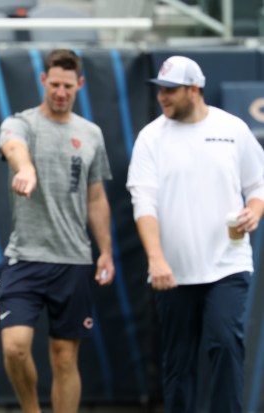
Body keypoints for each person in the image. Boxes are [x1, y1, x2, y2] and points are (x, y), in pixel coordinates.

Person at [126, 55, 264, 413]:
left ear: (194, 89)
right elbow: (144, 204)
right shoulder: (151, 138)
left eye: (171, 90)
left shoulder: (232, 128)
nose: (163, 97)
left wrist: (255, 210)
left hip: (228, 264)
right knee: (179, 361)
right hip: (172, 273)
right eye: (160, 90)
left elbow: (258, 181)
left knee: (225, 345)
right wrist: (156, 259)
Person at [0, 49, 115, 413]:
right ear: (43, 81)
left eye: (68, 85)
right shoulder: (21, 123)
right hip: (25, 258)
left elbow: (96, 198)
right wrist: (25, 169)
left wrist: (106, 251)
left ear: (78, 85)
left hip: (73, 260)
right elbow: (12, 146)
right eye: (54, 84)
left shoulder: (91, 134)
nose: (61, 92)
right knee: (15, 347)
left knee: (65, 358)